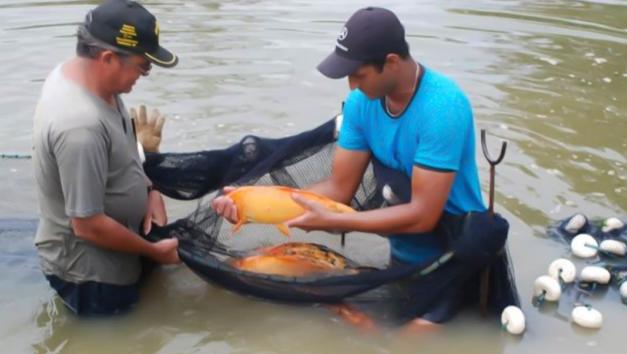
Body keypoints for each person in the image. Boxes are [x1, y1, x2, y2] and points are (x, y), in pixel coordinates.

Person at [213, 7, 487, 327]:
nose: (351, 86)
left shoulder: (443, 107)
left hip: (453, 254)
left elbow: (424, 215)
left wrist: (344, 221)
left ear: (392, 63)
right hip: (403, 258)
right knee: (353, 327)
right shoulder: (361, 103)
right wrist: (251, 203)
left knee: (403, 350)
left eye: (359, 74)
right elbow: (338, 190)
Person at [32, 0, 180, 316]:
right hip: (93, 276)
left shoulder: (84, 75)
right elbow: (87, 225)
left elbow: (119, 151)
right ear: (108, 58)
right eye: (143, 66)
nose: (145, 74)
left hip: (122, 250)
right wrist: (154, 251)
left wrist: (149, 189)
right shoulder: (79, 127)